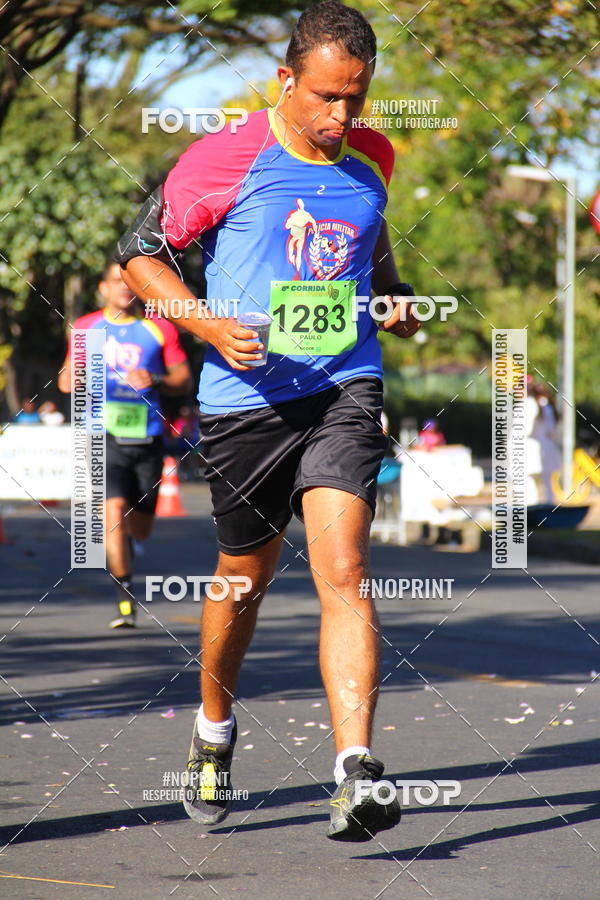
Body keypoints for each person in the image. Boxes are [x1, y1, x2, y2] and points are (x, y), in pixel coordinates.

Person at [116, 0, 420, 841]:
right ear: (286, 80)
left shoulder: (373, 157)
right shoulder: (224, 158)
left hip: (344, 388)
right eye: (326, 97)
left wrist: (391, 300)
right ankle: (214, 728)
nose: (341, 117)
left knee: (344, 567)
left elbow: (368, 246)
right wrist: (206, 321)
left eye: (356, 99)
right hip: (246, 402)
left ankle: (355, 772)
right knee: (242, 581)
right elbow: (141, 254)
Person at [58, 262, 192, 628]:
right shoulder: (85, 327)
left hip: (147, 438)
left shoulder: (158, 327)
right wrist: (69, 377)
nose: (124, 288)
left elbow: (183, 376)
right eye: (117, 282)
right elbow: (67, 376)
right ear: (102, 288)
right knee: (112, 510)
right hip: (100, 437)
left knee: (140, 526)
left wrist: (156, 378)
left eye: (130, 282)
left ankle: (127, 551)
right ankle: (125, 596)